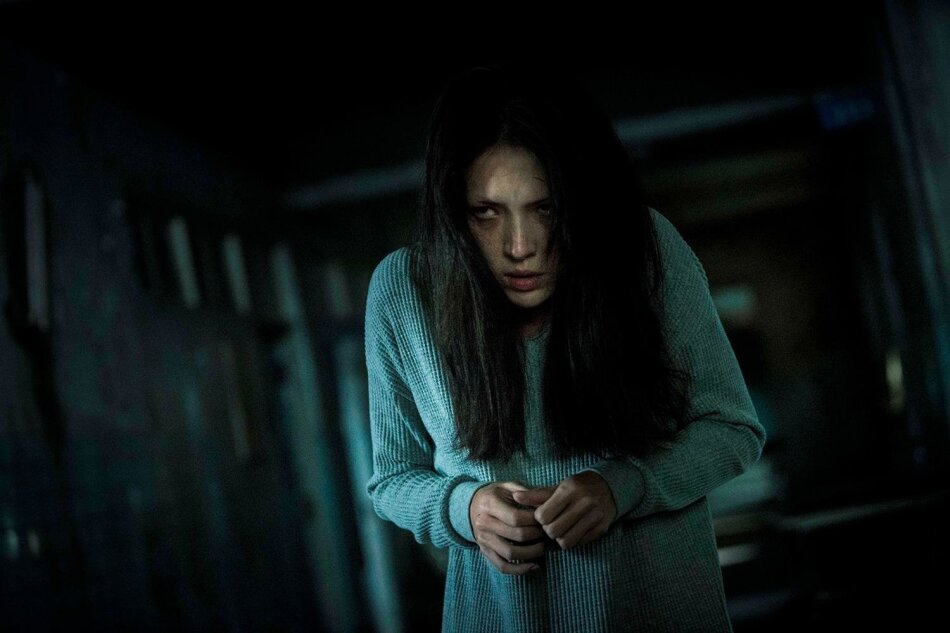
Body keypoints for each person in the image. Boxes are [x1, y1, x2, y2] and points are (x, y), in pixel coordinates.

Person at [363, 61, 767, 633]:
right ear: (453, 212)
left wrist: (622, 485)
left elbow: (733, 428)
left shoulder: (644, 251)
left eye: (545, 208)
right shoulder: (404, 291)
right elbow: (392, 480)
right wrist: (465, 509)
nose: (519, 246)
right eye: (486, 213)